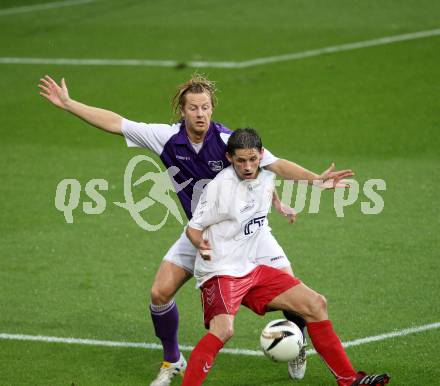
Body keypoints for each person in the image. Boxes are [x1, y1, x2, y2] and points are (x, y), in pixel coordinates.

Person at [38, 74, 353, 385]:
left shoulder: (228, 141)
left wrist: (314, 180)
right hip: (201, 234)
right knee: (159, 293)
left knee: (291, 291)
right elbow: (117, 123)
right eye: (194, 108)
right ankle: (173, 360)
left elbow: (271, 165)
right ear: (183, 111)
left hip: (249, 234)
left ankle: (296, 345)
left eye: (205, 108)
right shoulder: (166, 138)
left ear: (212, 109)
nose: (200, 114)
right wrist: (68, 104)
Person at [183, 128, 390, 386]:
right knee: (224, 330)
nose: (248, 167)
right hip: (221, 270)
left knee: (316, 304)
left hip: (251, 267)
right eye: (240, 161)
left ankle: (349, 380)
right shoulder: (220, 190)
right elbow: (192, 227)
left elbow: (265, 185)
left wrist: (284, 200)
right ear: (229, 158)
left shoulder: (265, 170)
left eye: (252, 159)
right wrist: (200, 244)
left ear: (261, 155)